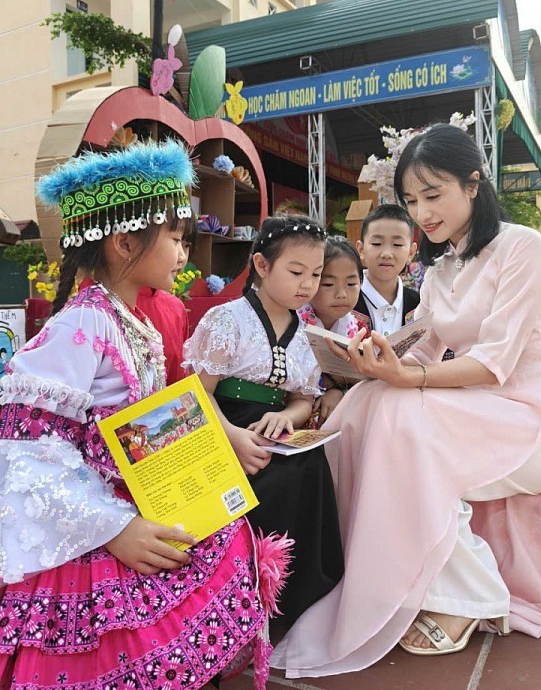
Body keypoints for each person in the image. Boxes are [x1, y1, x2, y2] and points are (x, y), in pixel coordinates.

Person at [272, 123, 541, 678]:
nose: (422, 213)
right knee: (363, 407)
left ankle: (473, 594)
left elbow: (494, 362)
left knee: (396, 411)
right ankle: (360, 569)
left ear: (473, 185)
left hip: (539, 418)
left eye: (433, 194)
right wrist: (369, 359)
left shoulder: (520, 248)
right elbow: (424, 349)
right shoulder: (443, 269)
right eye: (411, 200)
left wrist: (404, 379)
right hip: (479, 416)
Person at [0, 141, 279, 689]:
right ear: (125, 241)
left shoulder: (131, 321)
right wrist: (113, 529)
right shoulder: (81, 324)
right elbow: (28, 449)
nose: (184, 253)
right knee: (120, 648)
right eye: (176, 238)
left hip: (142, 496)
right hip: (97, 525)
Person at [183, 215, 344, 625]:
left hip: (275, 429)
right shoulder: (226, 319)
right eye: (296, 272)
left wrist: (286, 416)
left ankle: (295, 597)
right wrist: (233, 437)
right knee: (277, 476)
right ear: (261, 266)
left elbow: (302, 399)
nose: (307, 284)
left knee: (309, 466)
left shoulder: (304, 333)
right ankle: (244, 599)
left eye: (316, 274)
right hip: (223, 426)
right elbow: (196, 393)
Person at [297, 236, 365, 425]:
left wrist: (337, 391)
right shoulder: (292, 322)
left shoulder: (357, 328)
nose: (342, 294)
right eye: (328, 284)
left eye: (351, 284)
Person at [353, 204, 419, 335]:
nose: (387, 254)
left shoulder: (419, 304)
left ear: (411, 252)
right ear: (361, 249)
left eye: (397, 244)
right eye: (377, 244)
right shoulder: (345, 300)